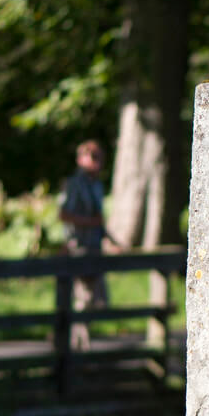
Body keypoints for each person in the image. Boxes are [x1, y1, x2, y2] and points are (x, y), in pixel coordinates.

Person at [60, 139, 116, 349]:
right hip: (79, 248)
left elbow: (99, 219)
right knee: (82, 301)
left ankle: (81, 348)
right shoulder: (75, 184)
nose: (96, 162)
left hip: (95, 248)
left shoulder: (97, 185)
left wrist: (110, 240)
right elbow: (64, 214)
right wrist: (89, 223)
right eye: (91, 157)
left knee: (98, 302)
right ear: (80, 159)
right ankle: (78, 349)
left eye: (99, 157)